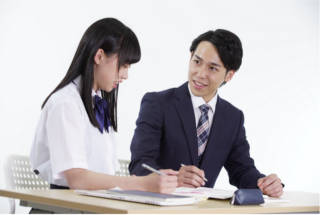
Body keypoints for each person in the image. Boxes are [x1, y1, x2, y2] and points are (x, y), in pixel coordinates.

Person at [30, 18, 178, 194]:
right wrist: (141, 183)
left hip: (94, 201)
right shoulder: (65, 104)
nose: (125, 75)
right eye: (123, 65)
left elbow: (101, 171)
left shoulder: (97, 101)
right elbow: (77, 178)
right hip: (65, 206)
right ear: (99, 56)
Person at [129, 29, 283, 197]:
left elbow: (242, 170)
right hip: (158, 207)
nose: (200, 74)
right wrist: (174, 179)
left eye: (212, 68)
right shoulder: (158, 104)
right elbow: (139, 165)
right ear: (190, 57)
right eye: (197, 61)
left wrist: (264, 183)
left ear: (229, 75)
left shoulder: (232, 117)